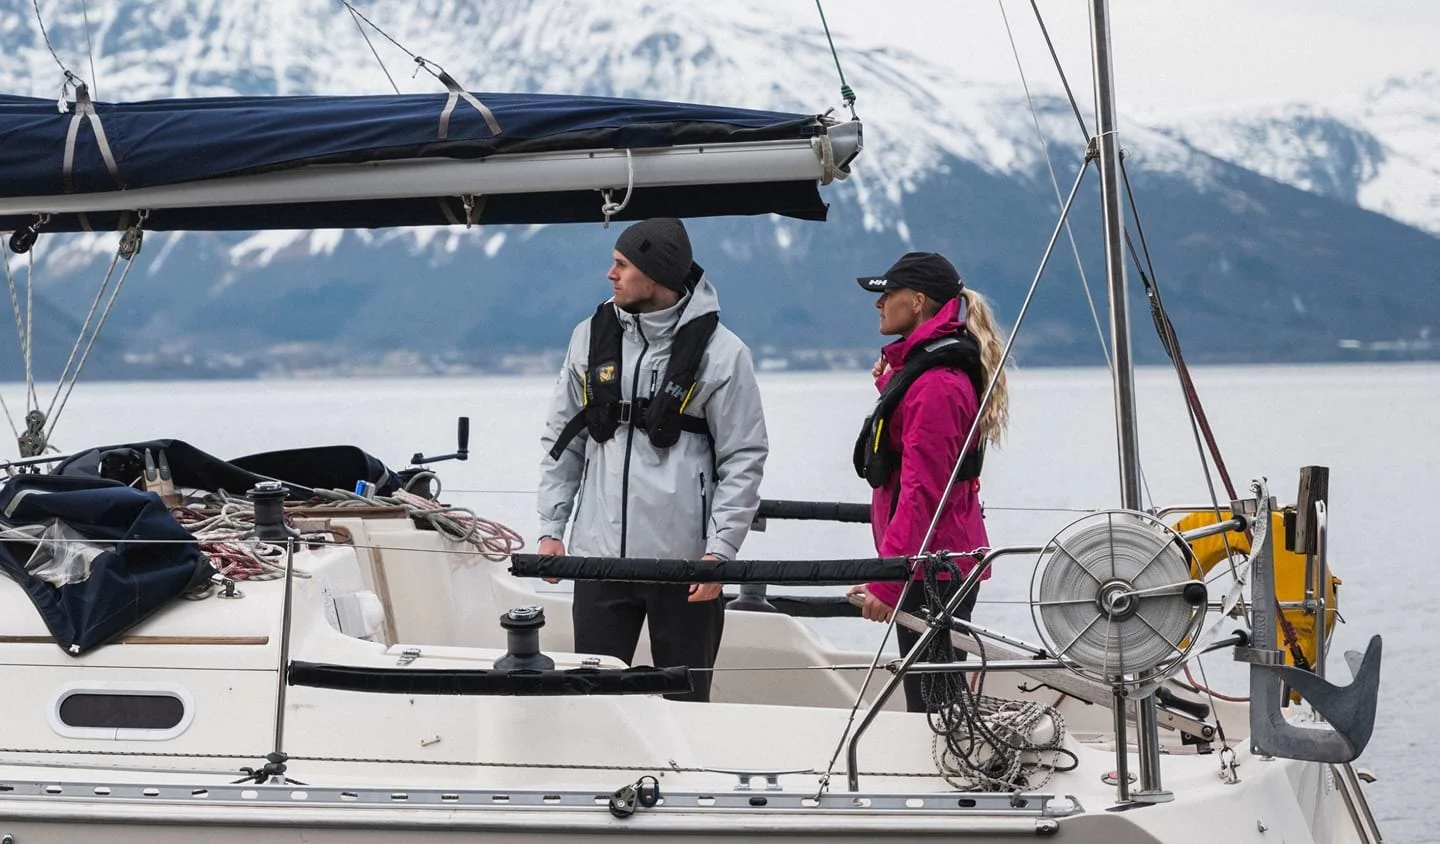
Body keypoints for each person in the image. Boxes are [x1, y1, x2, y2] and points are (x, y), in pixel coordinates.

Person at [536, 217, 768, 703]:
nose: (610, 274)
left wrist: (718, 555)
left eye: (621, 264)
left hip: (685, 570)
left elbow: (743, 459)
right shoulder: (588, 337)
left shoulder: (724, 355)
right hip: (599, 564)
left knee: (686, 705)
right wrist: (550, 531)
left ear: (655, 273)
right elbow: (562, 440)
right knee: (594, 703)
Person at [846, 251, 1010, 713]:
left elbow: (924, 492)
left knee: (933, 709)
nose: (878, 305)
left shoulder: (937, 384)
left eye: (887, 295)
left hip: (934, 569)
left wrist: (889, 583)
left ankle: (956, 785)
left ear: (917, 301)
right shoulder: (924, 375)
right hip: (930, 563)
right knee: (934, 703)